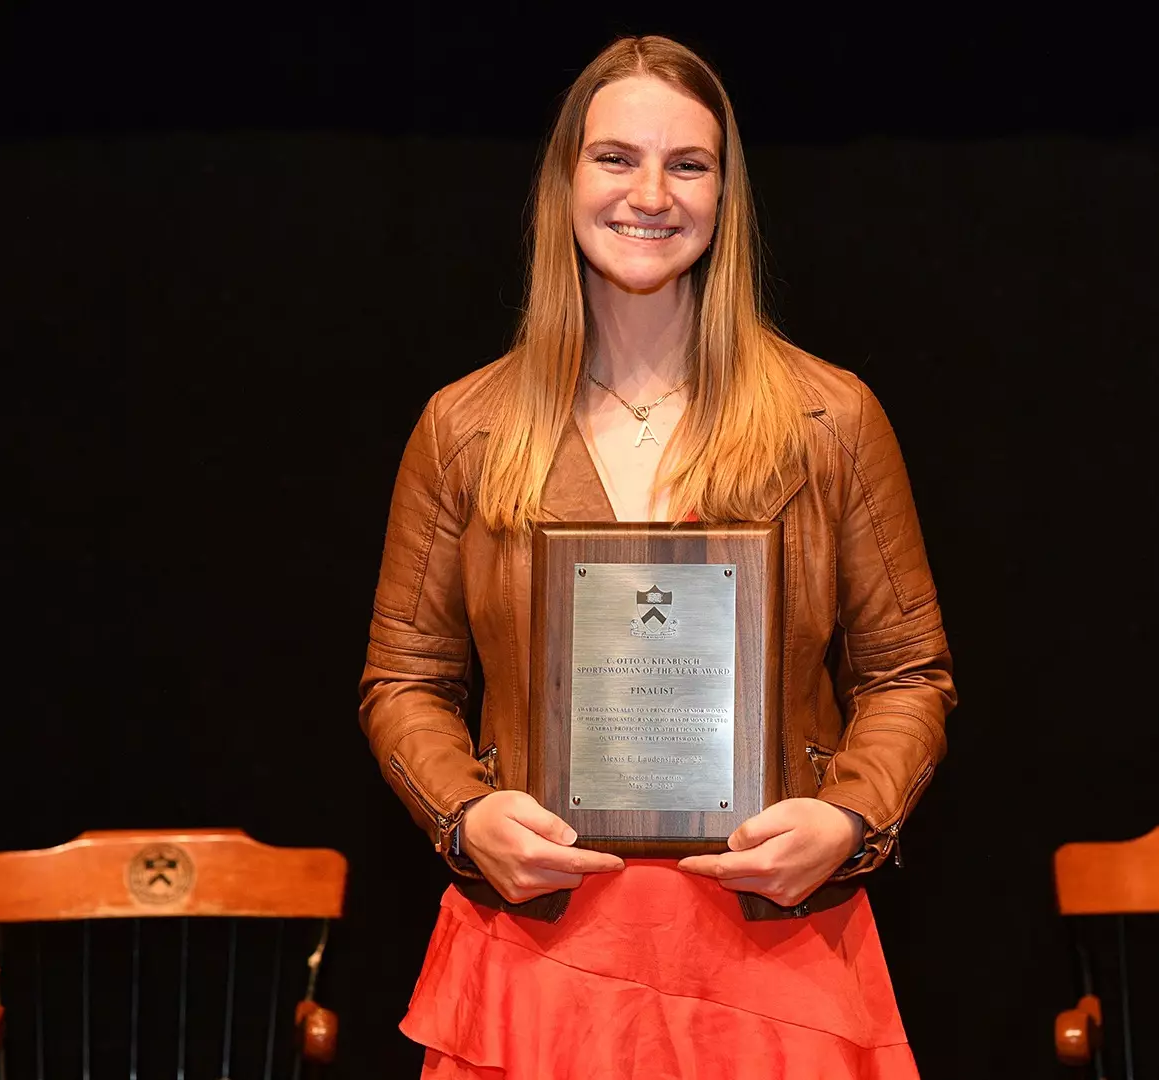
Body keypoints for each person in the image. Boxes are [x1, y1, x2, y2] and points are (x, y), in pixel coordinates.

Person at [358, 34, 955, 1080]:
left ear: (727, 193)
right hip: (539, 960)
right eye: (616, 158)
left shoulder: (832, 418)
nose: (652, 193)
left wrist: (850, 814)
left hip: (774, 957)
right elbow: (404, 679)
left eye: (689, 164)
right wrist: (466, 815)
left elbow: (909, 672)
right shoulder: (465, 427)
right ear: (566, 182)